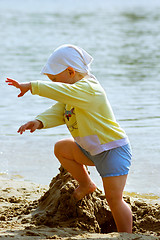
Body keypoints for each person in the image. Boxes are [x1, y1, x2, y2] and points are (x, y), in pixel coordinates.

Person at [6, 44, 132, 233]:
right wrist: (39, 121)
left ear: (71, 72)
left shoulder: (90, 90)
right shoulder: (73, 95)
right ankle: (86, 184)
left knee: (114, 199)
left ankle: (126, 235)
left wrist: (32, 86)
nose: (55, 85)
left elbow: (61, 93)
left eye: (56, 80)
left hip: (112, 152)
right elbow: (60, 110)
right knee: (61, 148)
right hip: (90, 150)